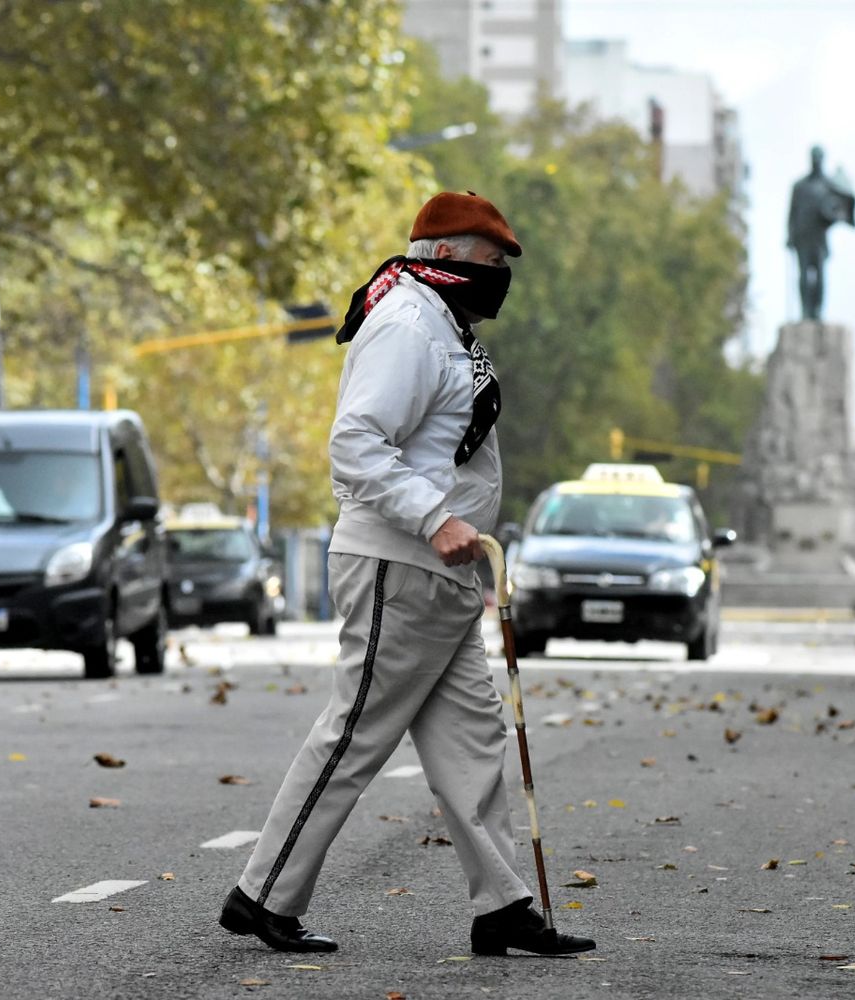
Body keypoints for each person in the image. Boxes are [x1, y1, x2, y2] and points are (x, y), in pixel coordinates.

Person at [219, 192, 594, 957]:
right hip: (402, 563)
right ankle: (262, 894)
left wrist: (454, 530)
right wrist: (435, 517)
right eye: (493, 263)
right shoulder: (408, 324)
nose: (501, 279)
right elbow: (355, 443)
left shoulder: (443, 324)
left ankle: (502, 906)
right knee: (356, 732)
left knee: (474, 739)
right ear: (448, 256)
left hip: (441, 572)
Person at [787, 145, 855, 321]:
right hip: (802, 236)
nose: (816, 160)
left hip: (819, 238)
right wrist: (790, 235)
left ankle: (817, 311)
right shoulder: (800, 186)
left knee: (820, 276)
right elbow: (792, 212)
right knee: (803, 276)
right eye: (813, 157)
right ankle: (805, 312)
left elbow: (842, 205)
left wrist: (836, 215)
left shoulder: (829, 185)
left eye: (819, 157)